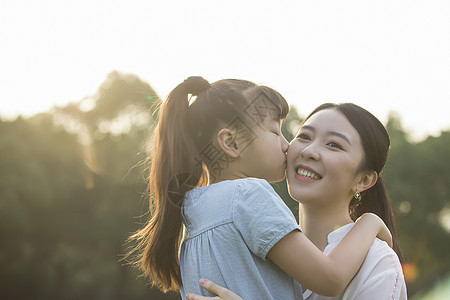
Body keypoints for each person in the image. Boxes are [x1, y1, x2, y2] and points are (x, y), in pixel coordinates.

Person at [126, 77, 392, 300]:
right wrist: (370, 221)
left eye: (333, 144)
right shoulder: (248, 194)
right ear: (231, 143)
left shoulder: (192, 212)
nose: (288, 145)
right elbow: (331, 279)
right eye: (275, 132)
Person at [186, 103, 407, 300]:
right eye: (304, 137)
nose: (309, 151)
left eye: (333, 144)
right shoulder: (252, 249)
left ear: (364, 179)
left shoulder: (377, 263)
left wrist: (368, 221)